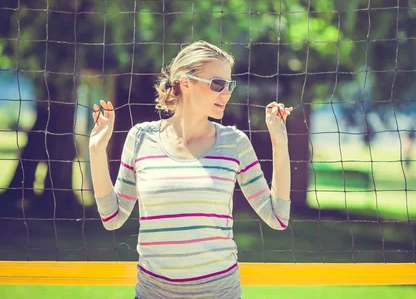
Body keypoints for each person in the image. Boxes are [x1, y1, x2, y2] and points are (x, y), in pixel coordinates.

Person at [88, 41, 293, 299]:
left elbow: (278, 217)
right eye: (217, 84)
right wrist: (96, 150)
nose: (226, 93)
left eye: (229, 85)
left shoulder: (235, 142)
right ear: (185, 83)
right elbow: (112, 218)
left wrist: (280, 143)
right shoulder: (140, 137)